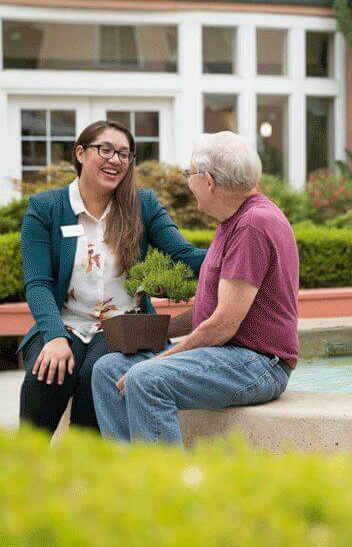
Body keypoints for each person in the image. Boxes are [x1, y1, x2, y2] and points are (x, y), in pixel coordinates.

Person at [92, 131, 299, 444]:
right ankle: (130, 475)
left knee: (146, 379)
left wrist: (159, 359)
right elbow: (216, 311)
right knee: (108, 369)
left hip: (258, 363)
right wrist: (159, 331)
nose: (188, 182)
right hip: (228, 354)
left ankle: (166, 487)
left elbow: (223, 325)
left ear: (209, 181)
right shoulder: (235, 219)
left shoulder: (252, 226)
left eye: (189, 174)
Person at [19, 120, 207, 434]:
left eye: (124, 154)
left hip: (124, 325)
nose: (115, 160)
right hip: (64, 320)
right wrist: (53, 337)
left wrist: (240, 249)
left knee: (98, 373)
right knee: (48, 371)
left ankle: (88, 473)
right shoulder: (46, 208)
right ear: (80, 153)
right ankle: (24, 466)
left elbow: (184, 255)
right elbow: (37, 283)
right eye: (105, 150)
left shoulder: (142, 204)